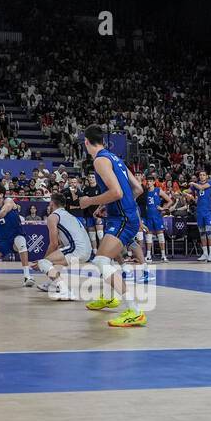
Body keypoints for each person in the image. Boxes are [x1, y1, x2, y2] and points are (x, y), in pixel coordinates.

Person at [78, 125, 148, 328]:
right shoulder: (115, 158)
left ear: (86, 142)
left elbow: (116, 192)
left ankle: (135, 311)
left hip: (123, 219)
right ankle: (109, 296)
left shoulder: (99, 160)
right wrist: (106, 205)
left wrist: (90, 201)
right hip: (125, 215)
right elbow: (138, 188)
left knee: (100, 260)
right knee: (105, 259)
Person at [34, 190, 93, 300]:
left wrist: (42, 262)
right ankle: (53, 283)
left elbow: (53, 244)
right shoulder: (69, 215)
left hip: (77, 249)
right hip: (87, 250)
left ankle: (65, 291)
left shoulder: (53, 216)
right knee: (55, 260)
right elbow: (60, 244)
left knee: (44, 262)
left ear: (52, 203)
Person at [189, 168, 211, 263]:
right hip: (199, 211)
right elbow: (188, 191)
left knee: (209, 233)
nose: (202, 176)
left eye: (203, 175)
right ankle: (205, 253)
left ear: (207, 176)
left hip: (208, 211)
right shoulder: (196, 185)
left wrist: (193, 183)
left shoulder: (210, 183)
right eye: (200, 175)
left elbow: (201, 188)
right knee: (202, 233)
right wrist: (183, 192)